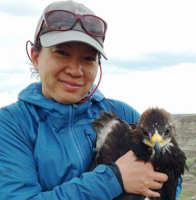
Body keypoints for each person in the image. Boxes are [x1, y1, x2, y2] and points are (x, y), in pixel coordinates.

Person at [0, 0, 182, 199]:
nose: (75, 71)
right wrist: (114, 179)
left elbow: (171, 178)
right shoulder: (11, 124)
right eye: (62, 53)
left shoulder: (123, 113)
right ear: (35, 57)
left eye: (88, 58)